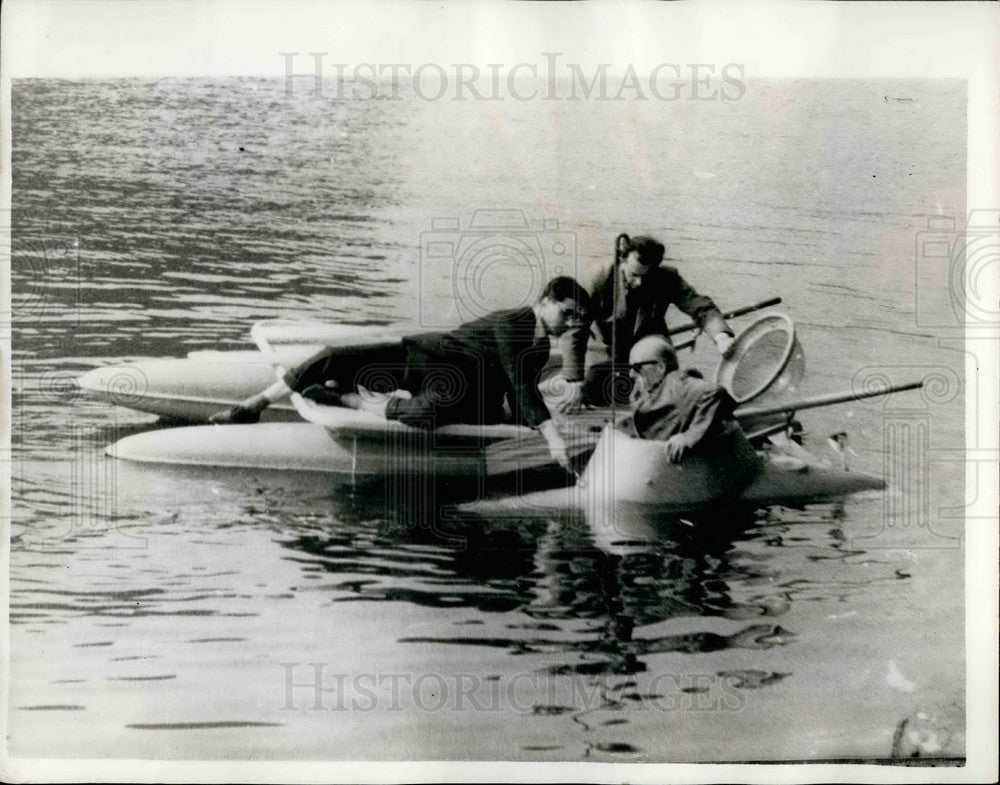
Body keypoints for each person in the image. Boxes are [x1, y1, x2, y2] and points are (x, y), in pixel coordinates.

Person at [210, 276, 592, 467]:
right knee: (334, 355)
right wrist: (553, 437)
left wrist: (530, 427)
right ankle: (252, 405)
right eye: (566, 312)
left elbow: (517, 393)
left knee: (429, 413)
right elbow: (521, 382)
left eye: (578, 318)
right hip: (427, 357)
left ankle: (345, 397)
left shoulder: (541, 345)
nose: (570, 323)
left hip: (463, 388)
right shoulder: (517, 321)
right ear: (544, 302)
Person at [563, 234, 737, 407]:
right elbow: (575, 331)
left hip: (651, 357)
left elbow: (700, 306)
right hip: (605, 357)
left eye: (645, 276)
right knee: (591, 400)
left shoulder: (666, 277)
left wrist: (721, 335)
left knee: (664, 405)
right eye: (633, 275)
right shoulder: (597, 278)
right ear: (622, 261)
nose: (638, 282)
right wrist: (574, 380)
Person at [616, 335, 744, 463]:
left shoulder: (679, 386)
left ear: (660, 367)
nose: (631, 374)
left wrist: (688, 437)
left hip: (695, 467)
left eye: (637, 368)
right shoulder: (645, 388)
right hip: (656, 461)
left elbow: (714, 391)